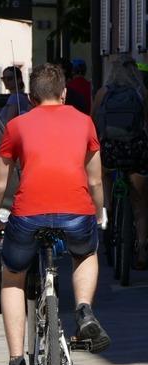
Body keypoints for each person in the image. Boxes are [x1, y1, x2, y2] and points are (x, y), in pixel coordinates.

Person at [0, 63, 111, 365]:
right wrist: (99, 213)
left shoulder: (16, 125)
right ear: (64, 93)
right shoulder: (85, 122)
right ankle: (83, 311)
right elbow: (95, 179)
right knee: (85, 253)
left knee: (12, 276)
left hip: (28, 216)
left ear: (30, 96)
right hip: (76, 213)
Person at [92, 56, 148, 269]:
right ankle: (142, 248)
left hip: (111, 149)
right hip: (136, 149)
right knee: (141, 201)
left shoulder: (103, 93)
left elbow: (93, 120)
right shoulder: (141, 93)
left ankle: (108, 210)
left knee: (104, 174)